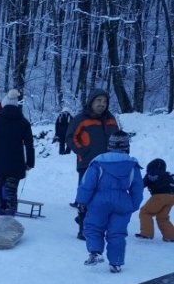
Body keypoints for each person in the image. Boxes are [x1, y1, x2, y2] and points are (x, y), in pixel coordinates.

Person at [75, 131, 143, 273]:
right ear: (126, 147)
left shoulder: (98, 162)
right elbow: (137, 189)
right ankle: (116, 262)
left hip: (99, 201)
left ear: (109, 146)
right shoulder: (132, 165)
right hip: (122, 202)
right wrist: (133, 205)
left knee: (93, 227)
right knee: (117, 233)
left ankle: (95, 252)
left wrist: (82, 201)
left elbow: (87, 184)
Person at [66, 88, 119, 238]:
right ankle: (83, 229)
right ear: (91, 101)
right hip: (87, 164)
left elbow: (117, 138)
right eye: (99, 101)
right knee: (86, 196)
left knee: (102, 198)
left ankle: (94, 224)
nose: (102, 104)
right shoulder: (81, 118)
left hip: (108, 165)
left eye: (104, 101)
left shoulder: (111, 119)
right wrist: (83, 151)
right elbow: (70, 137)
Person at [0, 89, 35, 222]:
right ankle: (9, 218)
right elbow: (29, 144)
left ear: (4, 105)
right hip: (16, 164)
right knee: (11, 191)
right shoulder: (24, 122)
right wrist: (30, 162)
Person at [136, 158, 174, 241]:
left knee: (145, 212)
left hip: (160, 196)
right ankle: (171, 236)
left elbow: (141, 185)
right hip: (172, 197)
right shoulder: (169, 175)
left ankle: (146, 233)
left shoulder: (152, 173)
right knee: (162, 217)